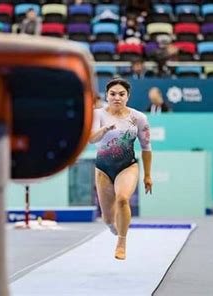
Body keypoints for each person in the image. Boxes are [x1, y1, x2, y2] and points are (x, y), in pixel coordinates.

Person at [89, 78, 153, 260]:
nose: (117, 97)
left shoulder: (138, 118)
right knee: (108, 219)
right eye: (113, 94)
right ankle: (113, 227)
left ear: (128, 97)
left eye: (121, 94)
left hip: (127, 166)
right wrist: (105, 129)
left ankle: (121, 243)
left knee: (123, 199)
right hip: (103, 169)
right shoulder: (97, 115)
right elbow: (91, 139)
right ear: (107, 96)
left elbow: (147, 148)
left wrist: (147, 175)